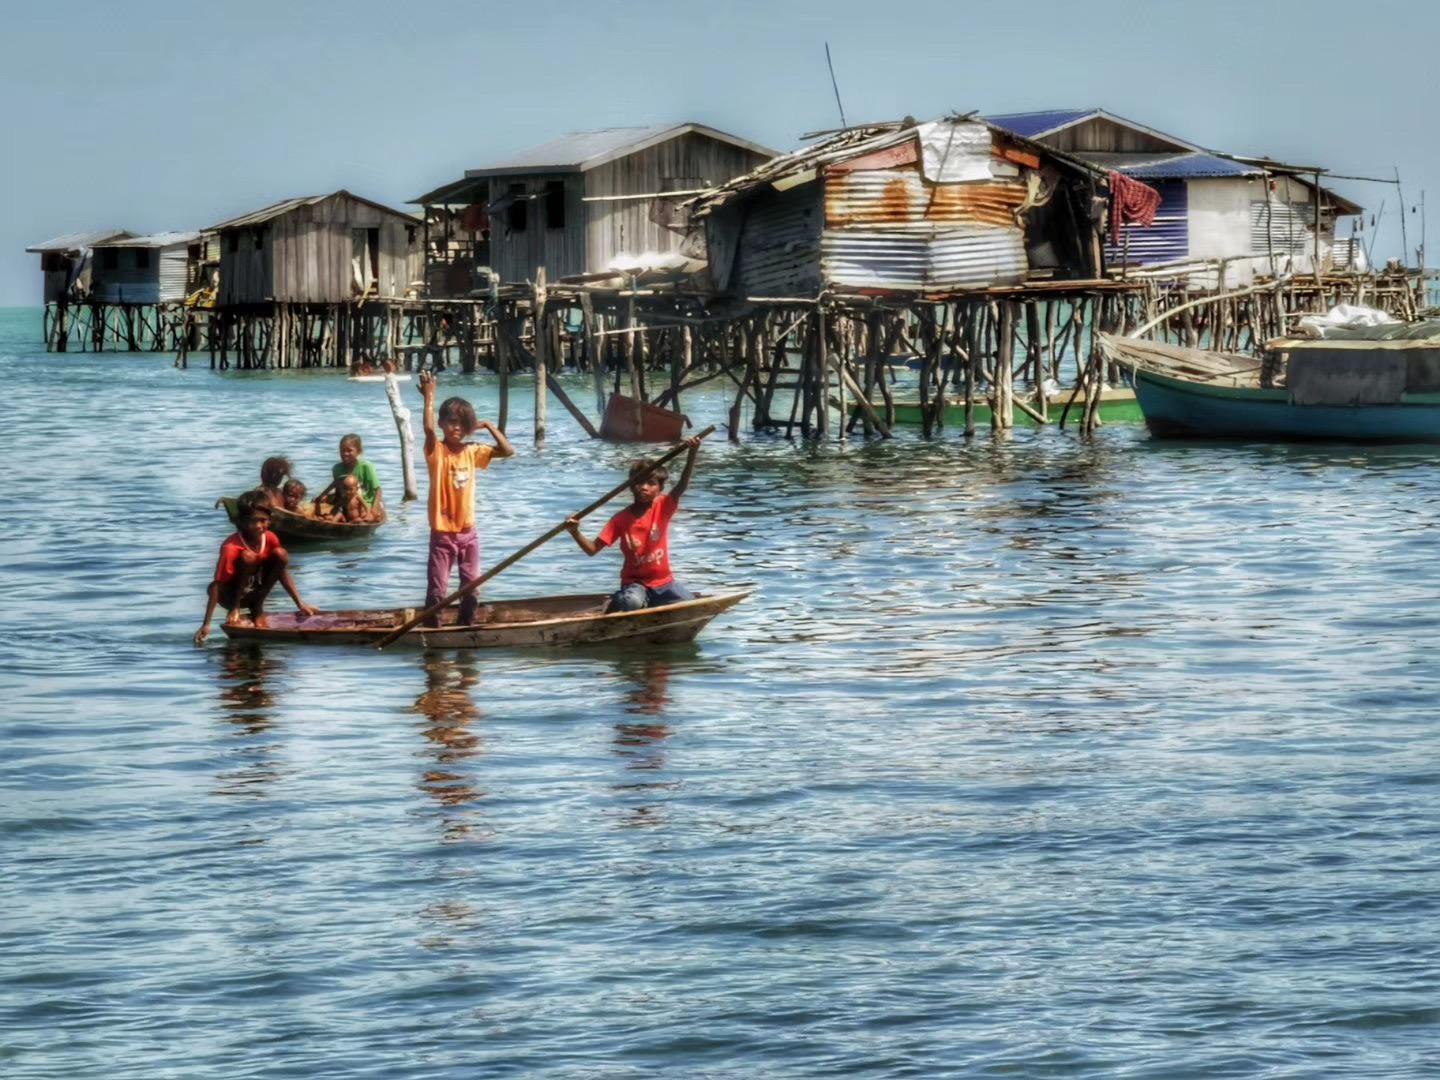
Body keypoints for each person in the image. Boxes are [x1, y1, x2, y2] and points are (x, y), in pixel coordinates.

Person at [419, 370, 514, 626]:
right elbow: (428, 429)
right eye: (451, 422)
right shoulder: (436, 451)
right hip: (442, 534)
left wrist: (489, 426)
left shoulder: (473, 452)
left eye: (462, 423)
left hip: (468, 533)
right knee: (438, 591)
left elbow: (507, 451)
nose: (456, 428)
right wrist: (429, 397)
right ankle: (432, 632)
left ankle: (465, 629)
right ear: (442, 424)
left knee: (471, 588)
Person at [565, 437, 701, 612]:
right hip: (636, 584)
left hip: (664, 583)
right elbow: (592, 550)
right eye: (639, 482)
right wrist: (574, 531)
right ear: (630, 486)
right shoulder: (620, 519)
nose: (644, 487)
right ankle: (619, 601)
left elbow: (682, 485)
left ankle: (650, 603)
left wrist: (692, 452)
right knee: (631, 603)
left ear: (659, 489)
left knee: (691, 605)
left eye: (651, 484)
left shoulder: (663, 506)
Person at [195, 489, 318, 645]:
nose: (258, 526)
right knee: (247, 557)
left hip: (253, 592)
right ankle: (236, 608)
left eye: (263, 520)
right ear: (243, 522)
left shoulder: (271, 538)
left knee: (281, 554)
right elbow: (217, 585)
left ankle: (257, 606)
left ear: (269, 520)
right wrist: (207, 624)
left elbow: (281, 572)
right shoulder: (231, 547)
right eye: (253, 521)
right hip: (230, 595)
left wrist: (300, 603)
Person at [332, 434, 384, 517]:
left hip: (365, 504)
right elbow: (337, 489)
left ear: (358, 451)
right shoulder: (337, 469)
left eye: (349, 451)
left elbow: (378, 490)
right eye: (342, 450)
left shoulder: (366, 467)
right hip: (346, 503)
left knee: (366, 516)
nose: (345, 453)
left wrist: (374, 508)